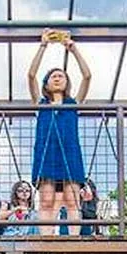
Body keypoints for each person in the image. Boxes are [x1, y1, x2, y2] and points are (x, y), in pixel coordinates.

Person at [28, 30, 91, 236]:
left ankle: (74, 238)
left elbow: (87, 76)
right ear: (47, 83)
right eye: (53, 76)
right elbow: (31, 75)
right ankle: (46, 238)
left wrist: (73, 49)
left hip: (70, 152)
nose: (57, 78)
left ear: (66, 82)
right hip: (47, 153)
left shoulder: (73, 103)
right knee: (46, 199)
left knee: (72, 199)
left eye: (61, 76)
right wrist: (43, 45)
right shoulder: (41, 103)